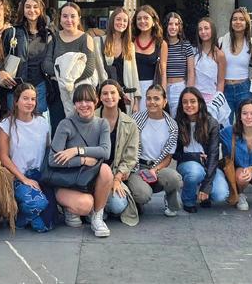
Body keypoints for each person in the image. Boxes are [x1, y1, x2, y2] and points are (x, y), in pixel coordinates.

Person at [49, 84, 114, 237]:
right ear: (74, 104)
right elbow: (52, 160)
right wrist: (82, 160)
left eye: (88, 100)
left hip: (88, 180)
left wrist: (77, 151)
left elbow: (105, 152)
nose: (84, 105)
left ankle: (97, 217)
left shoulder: (102, 124)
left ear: (96, 101)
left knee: (105, 170)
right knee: (86, 205)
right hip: (67, 181)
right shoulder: (65, 124)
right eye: (79, 101)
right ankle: (69, 208)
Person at [0, 83, 57, 232]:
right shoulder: (6, 125)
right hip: (17, 177)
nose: (30, 102)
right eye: (25, 98)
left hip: (40, 176)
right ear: (16, 101)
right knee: (38, 204)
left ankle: (25, 218)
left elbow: (48, 149)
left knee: (46, 225)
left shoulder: (42, 123)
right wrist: (24, 179)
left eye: (33, 99)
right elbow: (3, 157)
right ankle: (19, 216)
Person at [128, 85, 183, 216]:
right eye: (149, 98)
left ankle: (170, 201)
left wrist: (154, 170)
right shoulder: (135, 119)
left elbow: (168, 157)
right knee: (143, 195)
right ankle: (137, 200)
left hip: (157, 167)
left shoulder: (172, 126)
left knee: (175, 178)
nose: (152, 102)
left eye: (156, 98)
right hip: (137, 167)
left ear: (164, 102)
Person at [42, 3, 97, 129]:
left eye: (73, 16)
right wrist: (68, 73)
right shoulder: (53, 38)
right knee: (58, 128)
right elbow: (46, 65)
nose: (69, 20)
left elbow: (89, 68)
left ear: (79, 18)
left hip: (80, 92)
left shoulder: (86, 38)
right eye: (65, 16)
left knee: (80, 129)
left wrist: (68, 79)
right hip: (57, 92)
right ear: (60, 18)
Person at [174, 87, 227, 212]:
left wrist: (206, 187)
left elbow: (213, 155)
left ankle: (203, 194)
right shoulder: (177, 123)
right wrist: (195, 156)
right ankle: (188, 200)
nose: (189, 105)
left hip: (209, 165)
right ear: (181, 105)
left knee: (220, 194)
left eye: (193, 101)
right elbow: (174, 154)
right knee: (195, 172)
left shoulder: (212, 123)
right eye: (185, 102)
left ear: (200, 103)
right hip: (187, 165)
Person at [96, 80, 140, 226]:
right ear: (99, 97)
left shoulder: (130, 123)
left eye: (113, 93)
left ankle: (101, 206)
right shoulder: (91, 119)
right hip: (93, 174)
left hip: (116, 173)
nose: (109, 97)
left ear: (120, 96)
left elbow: (130, 157)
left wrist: (117, 178)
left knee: (117, 205)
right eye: (105, 93)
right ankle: (97, 206)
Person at [11, 0, 53, 117]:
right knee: (15, 121)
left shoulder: (48, 34)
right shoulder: (13, 31)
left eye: (35, 7)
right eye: (28, 7)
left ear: (41, 9)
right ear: (22, 9)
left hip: (39, 85)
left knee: (38, 121)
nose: (32, 10)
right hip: (16, 85)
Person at [218, 8, 252, 119]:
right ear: (231, 22)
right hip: (225, 88)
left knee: (244, 122)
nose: (237, 22)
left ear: (247, 23)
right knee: (225, 122)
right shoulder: (222, 41)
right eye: (235, 19)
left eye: (241, 19)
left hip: (244, 89)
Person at [98, 7, 141, 111]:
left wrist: (136, 100)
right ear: (112, 21)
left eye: (125, 21)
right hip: (107, 95)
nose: (121, 23)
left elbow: (134, 74)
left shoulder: (129, 46)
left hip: (127, 97)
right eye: (118, 19)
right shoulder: (99, 42)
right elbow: (99, 71)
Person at [163, 12, 195, 115]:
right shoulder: (161, 45)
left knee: (179, 118)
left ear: (180, 27)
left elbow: (191, 71)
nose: (173, 27)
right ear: (166, 26)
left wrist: (189, 91)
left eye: (176, 24)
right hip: (163, 86)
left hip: (179, 87)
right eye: (170, 24)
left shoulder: (186, 45)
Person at [133, 5, 166, 103]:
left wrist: (163, 95)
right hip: (132, 89)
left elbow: (163, 73)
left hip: (152, 90)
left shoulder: (161, 44)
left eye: (146, 18)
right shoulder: (130, 41)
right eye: (139, 19)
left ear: (154, 21)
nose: (142, 21)